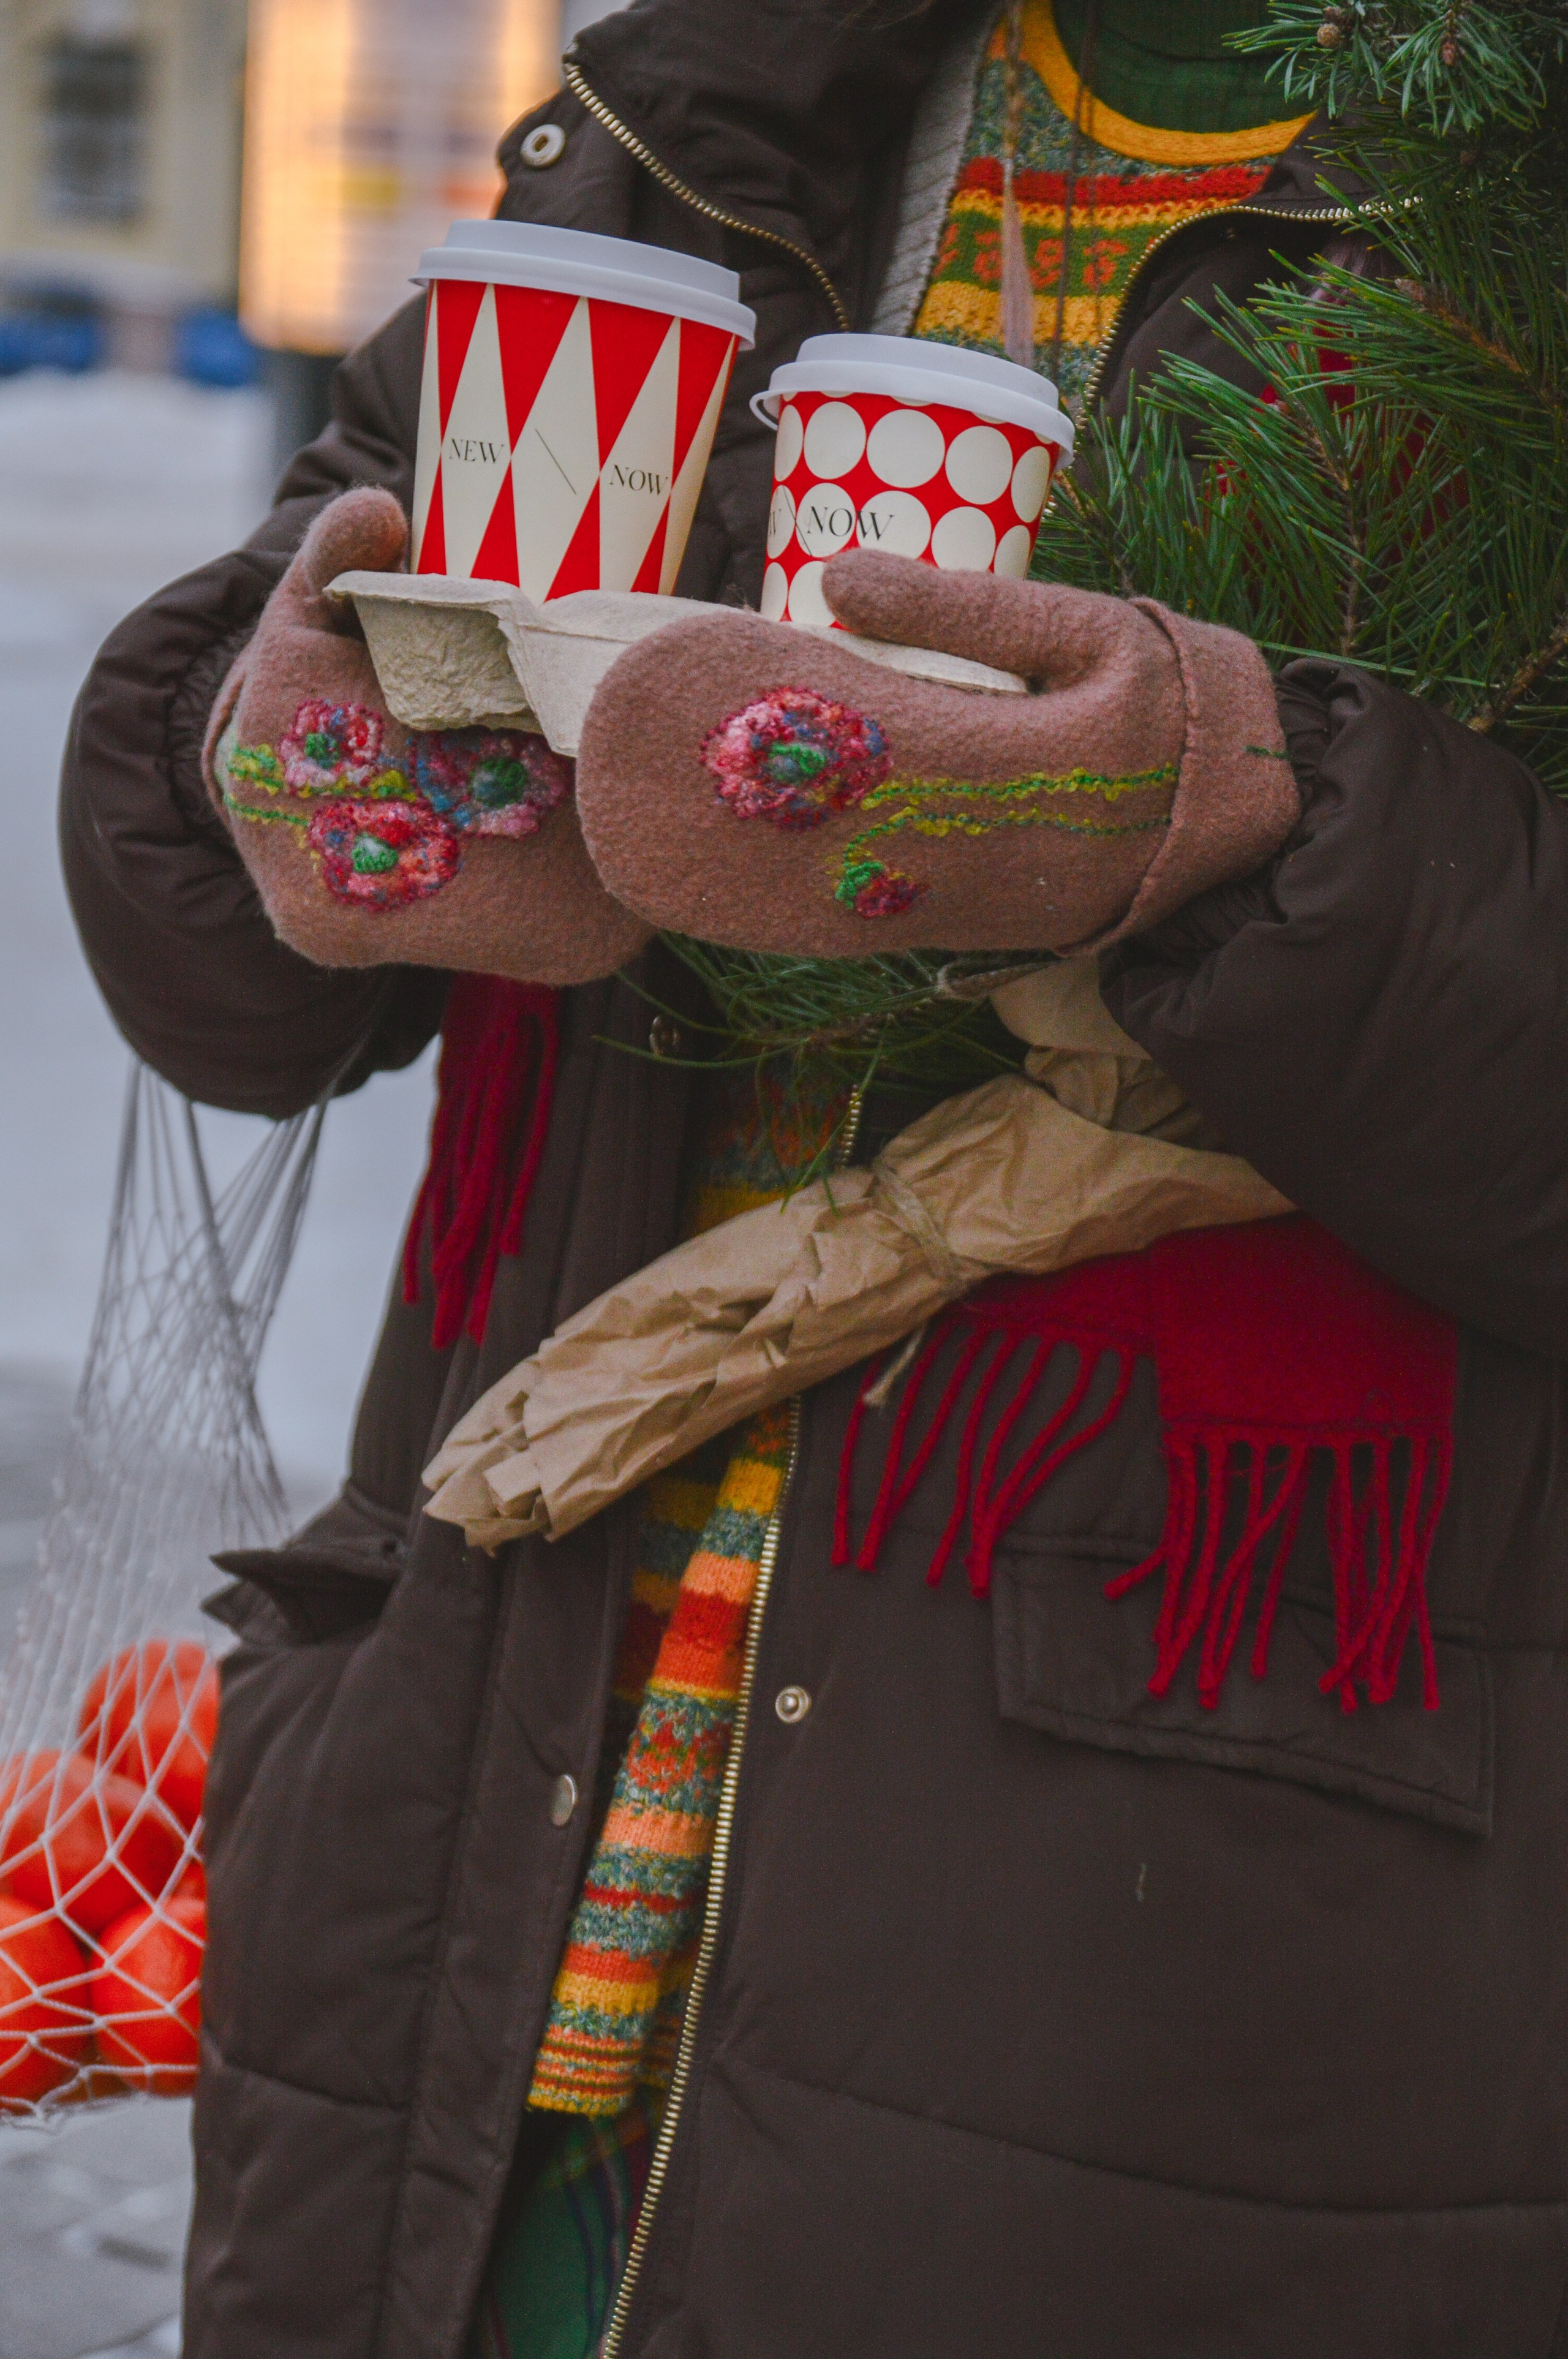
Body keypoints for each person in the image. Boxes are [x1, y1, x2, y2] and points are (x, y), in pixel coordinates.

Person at [59, 2, 1568, 2353]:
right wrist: (308, 755)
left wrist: (1246, 832)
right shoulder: (724, 111)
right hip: (484, 1830)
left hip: (1184, 1941)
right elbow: (217, 940)